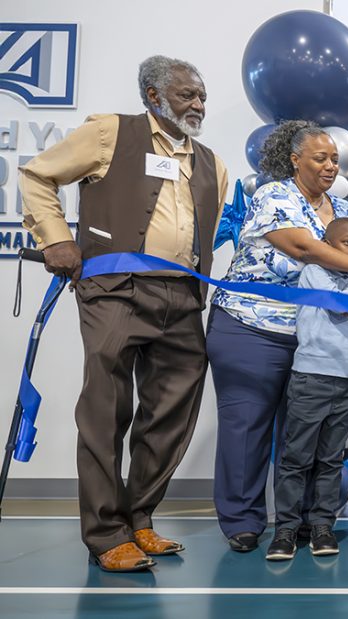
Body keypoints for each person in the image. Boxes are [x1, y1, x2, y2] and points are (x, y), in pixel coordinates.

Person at [18, 55, 228, 572]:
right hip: (115, 290)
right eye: (186, 95)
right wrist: (57, 239)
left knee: (171, 414)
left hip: (182, 298)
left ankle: (139, 519)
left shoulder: (212, 163)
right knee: (105, 410)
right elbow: (37, 176)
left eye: (201, 95)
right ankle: (105, 532)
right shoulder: (111, 133)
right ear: (154, 97)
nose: (198, 104)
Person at [207, 121, 348, 553]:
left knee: (306, 438)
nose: (331, 166)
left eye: (335, 158)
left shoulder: (341, 208)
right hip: (251, 328)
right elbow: (300, 247)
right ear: (295, 160)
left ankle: (302, 523)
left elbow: (345, 275)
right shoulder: (273, 194)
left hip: (312, 339)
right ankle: (243, 521)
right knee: (247, 428)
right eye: (321, 158)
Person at [266, 218, 348, 561]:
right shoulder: (314, 271)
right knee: (297, 457)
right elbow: (337, 304)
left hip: (344, 383)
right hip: (311, 380)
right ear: (328, 246)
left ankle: (321, 526)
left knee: (330, 460)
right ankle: (286, 528)